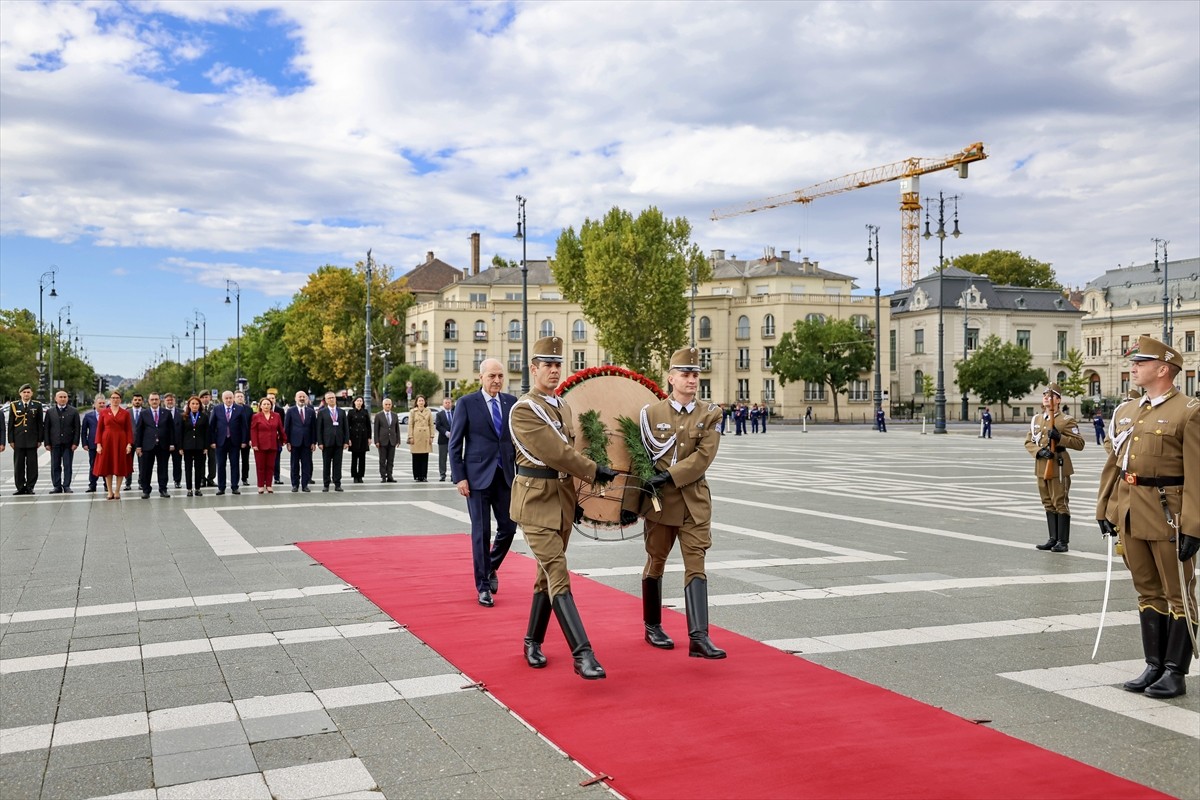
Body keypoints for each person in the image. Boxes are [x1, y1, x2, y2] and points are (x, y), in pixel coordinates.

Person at [510, 336, 618, 680]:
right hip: (535, 502)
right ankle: (583, 654)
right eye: (548, 365)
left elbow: (569, 453)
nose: (554, 370)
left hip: (561, 500)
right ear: (534, 369)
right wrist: (592, 470)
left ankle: (531, 641)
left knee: (544, 576)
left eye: (558, 365)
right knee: (557, 572)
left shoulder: (562, 406)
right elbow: (556, 453)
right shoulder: (524, 410)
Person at [1096, 335, 1198, 699]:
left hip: (1168, 514)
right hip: (1130, 512)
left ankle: (1176, 671)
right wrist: (1105, 508)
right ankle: (1153, 664)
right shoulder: (1126, 411)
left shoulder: (1188, 410)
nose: (1133, 367)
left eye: (1140, 362)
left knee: (1179, 594)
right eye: (1133, 362)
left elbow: (1197, 473)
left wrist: (1194, 525)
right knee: (1146, 590)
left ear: (1164, 369)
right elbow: (1115, 464)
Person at [636, 347, 727, 659]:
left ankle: (699, 637)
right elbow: (640, 460)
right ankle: (652, 626)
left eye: (695, 374)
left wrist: (670, 475)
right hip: (660, 505)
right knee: (656, 561)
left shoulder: (710, 414)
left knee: (696, 565)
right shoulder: (651, 414)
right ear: (671, 378)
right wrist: (630, 503)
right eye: (686, 374)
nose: (692, 379)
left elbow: (703, 458)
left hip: (693, 503)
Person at [449, 359, 517, 607]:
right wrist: (460, 477)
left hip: (505, 476)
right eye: (492, 376)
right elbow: (455, 444)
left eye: (500, 376)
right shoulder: (467, 403)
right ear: (481, 377)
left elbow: (518, 441)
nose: (497, 380)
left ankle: (490, 566)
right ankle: (483, 587)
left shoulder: (511, 403)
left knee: (509, 527)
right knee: (481, 532)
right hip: (476, 478)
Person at [1024, 383, 1085, 552]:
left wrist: (1060, 438)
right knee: (1047, 502)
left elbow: (1080, 443)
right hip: (1042, 465)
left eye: (1050, 395)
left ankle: (1062, 541)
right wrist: (1039, 452)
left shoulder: (1066, 420)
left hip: (1058, 465)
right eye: (1045, 395)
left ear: (1058, 400)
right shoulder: (1036, 419)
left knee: (1060, 502)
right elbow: (1028, 441)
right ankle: (1052, 538)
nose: (1046, 398)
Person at [93, 390, 133, 500]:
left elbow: (129, 430)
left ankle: (117, 491)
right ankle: (109, 491)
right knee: (108, 466)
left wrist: (129, 444)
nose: (115, 400)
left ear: (120, 400)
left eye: (117, 398)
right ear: (109, 400)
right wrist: (98, 444)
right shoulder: (104, 412)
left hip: (121, 441)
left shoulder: (125, 413)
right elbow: (99, 429)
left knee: (120, 466)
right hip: (107, 441)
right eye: (113, 398)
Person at [134, 391, 174, 498]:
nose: (154, 401)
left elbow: (171, 429)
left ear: (159, 400)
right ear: (148, 401)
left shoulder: (166, 413)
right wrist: (138, 446)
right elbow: (139, 431)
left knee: (163, 468)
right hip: (147, 445)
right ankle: (146, 490)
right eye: (152, 399)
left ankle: (163, 489)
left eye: (156, 399)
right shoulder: (144, 414)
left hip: (163, 445)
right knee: (146, 469)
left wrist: (172, 443)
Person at [209, 390, 248, 495]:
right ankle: (221, 487)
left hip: (234, 441)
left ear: (233, 398)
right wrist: (212, 441)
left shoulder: (239, 409)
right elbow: (211, 426)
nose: (229, 400)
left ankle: (235, 486)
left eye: (230, 398)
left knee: (235, 464)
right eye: (226, 398)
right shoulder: (217, 409)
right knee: (221, 465)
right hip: (220, 441)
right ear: (223, 399)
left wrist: (244, 440)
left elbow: (244, 426)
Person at [8, 383, 43, 495]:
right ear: (20, 394)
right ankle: (20, 487)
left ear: (31, 393)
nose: (26, 394)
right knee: (18, 465)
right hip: (19, 440)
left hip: (32, 440)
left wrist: (39, 440)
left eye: (28, 392)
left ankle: (30, 486)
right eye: (24, 392)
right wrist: (11, 440)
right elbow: (10, 424)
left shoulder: (37, 405)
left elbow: (39, 424)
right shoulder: (14, 405)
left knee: (32, 465)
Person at [44, 390, 81, 493]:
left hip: (68, 444)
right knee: (55, 465)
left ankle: (66, 485)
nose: (63, 399)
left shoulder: (73, 411)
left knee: (67, 465)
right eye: (60, 397)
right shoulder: (50, 412)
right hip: (54, 443)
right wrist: (47, 443)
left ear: (67, 399)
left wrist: (75, 442)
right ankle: (57, 486)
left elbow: (77, 428)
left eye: (65, 397)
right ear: (56, 399)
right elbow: (46, 428)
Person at [250, 396, 286, 493]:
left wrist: (284, 440)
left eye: (268, 404)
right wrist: (254, 444)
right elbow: (253, 430)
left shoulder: (277, 415)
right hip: (260, 445)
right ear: (260, 406)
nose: (266, 406)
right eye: (264, 404)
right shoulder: (256, 416)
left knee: (270, 466)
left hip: (273, 444)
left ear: (271, 405)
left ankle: (269, 485)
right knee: (260, 466)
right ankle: (261, 485)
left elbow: (281, 429)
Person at [176, 395, 209, 497]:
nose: (195, 406)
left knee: (199, 468)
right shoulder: (184, 416)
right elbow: (180, 433)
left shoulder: (204, 416)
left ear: (200, 405)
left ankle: (198, 488)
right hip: (187, 446)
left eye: (197, 404)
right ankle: (189, 488)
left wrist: (206, 447)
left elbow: (207, 433)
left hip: (200, 446)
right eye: (193, 404)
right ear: (189, 405)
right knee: (188, 468)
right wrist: (180, 447)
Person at [285, 390, 317, 492]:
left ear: (306, 399)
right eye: (300, 397)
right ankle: (295, 484)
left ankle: (305, 485)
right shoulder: (290, 411)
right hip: (294, 442)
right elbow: (287, 427)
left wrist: (313, 442)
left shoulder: (311, 411)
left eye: (303, 397)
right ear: (295, 398)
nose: (302, 399)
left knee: (306, 464)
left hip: (307, 443)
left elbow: (313, 428)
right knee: (294, 464)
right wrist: (287, 442)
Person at [316, 391, 348, 492]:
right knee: (326, 464)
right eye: (329, 398)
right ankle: (326, 484)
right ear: (325, 400)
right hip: (326, 443)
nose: (331, 399)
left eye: (333, 398)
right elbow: (319, 429)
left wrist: (346, 441)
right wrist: (320, 442)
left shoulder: (341, 412)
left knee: (338, 464)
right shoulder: (322, 412)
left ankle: (337, 483)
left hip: (339, 442)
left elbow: (345, 428)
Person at [80, 394, 105, 493]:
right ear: (95, 404)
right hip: (92, 444)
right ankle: (92, 485)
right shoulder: (88, 416)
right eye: (100, 403)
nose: (102, 405)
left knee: (105, 465)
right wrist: (84, 443)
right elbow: (84, 431)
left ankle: (106, 484)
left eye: (103, 403)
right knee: (93, 465)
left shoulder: (108, 414)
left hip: (106, 444)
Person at [407, 395, 435, 482]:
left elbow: (431, 424)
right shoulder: (413, 412)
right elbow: (410, 425)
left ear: (425, 402)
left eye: (422, 400)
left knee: (424, 457)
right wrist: (410, 436)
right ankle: (417, 476)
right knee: (416, 457)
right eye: (419, 401)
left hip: (426, 436)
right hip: (416, 435)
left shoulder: (428, 411)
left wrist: (432, 436)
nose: (421, 402)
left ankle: (424, 476)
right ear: (416, 402)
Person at [373, 397, 400, 483]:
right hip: (382, 441)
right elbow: (376, 429)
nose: (388, 406)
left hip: (392, 440)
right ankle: (383, 476)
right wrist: (376, 441)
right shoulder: (378, 415)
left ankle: (390, 475)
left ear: (391, 405)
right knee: (382, 459)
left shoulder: (395, 415)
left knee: (391, 460)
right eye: (386, 404)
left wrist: (398, 440)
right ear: (383, 405)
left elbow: (397, 429)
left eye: (389, 404)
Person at [347, 396, 371, 484]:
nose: (359, 402)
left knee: (362, 458)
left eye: (361, 401)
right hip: (353, 437)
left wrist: (369, 437)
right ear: (354, 402)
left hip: (363, 437)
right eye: (358, 401)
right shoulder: (350, 412)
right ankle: (354, 476)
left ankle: (360, 475)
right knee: (354, 458)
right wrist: (348, 439)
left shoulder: (365, 412)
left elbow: (368, 425)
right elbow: (347, 426)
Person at [163, 393, 183, 488]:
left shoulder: (181, 412)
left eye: (171, 400)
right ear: (164, 401)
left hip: (178, 442)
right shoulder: (161, 412)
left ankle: (177, 481)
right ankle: (164, 482)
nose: (170, 402)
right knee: (163, 464)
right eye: (168, 400)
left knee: (177, 463)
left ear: (174, 401)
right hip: (165, 443)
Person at [126, 393, 144, 490]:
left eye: (139, 400)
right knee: (128, 463)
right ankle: (128, 483)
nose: (137, 401)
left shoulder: (146, 412)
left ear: (142, 401)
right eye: (135, 400)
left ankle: (141, 482)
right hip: (129, 442)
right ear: (132, 401)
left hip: (142, 442)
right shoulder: (127, 413)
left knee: (142, 464)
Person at [266, 388, 283, 485]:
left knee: (277, 459)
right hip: (265, 438)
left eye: (273, 398)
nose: (271, 400)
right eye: (269, 398)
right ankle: (266, 478)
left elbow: (283, 425)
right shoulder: (262, 410)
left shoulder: (280, 411)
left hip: (276, 439)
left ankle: (277, 477)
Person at [435, 396, 454, 482]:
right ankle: (442, 474)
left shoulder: (456, 413)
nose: (447, 404)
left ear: (451, 404)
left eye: (449, 402)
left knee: (454, 458)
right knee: (442, 459)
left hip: (454, 440)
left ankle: (454, 475)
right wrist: (446, 432)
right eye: (446, 402)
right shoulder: (439, 414)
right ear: (443, 404)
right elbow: (438, 426)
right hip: (443, 439)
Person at [200, 392, 217, 487]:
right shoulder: (198, 408)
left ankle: (211, 478)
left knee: (212, 459)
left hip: (212, 438)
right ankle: (202, 478)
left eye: (206, 397)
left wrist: (214, 440)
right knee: (201, 459)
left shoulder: (215, 408)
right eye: (202, 397)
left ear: (210, 397)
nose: (205, 399)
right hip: (201, 438)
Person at [235, 390, 251, 486]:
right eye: (238, 396)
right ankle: (235, 478)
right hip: (235, 438)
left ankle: (245, 478)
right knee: (235, 460)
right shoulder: (232, 408)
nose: (240, 398)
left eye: (241, 396)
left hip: (246, 438)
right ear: (234, 398)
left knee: (245, 460)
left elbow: (251, 425)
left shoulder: (249, 409)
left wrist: (249, 439)